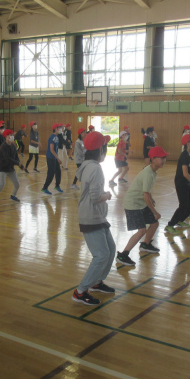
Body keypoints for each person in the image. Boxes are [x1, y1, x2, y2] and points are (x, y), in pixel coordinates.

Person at [72, 131, 115, 305]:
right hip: (90, 216)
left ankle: (97, 281)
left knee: (110, 249)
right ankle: (80, 291)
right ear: (100, 150)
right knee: (101, 255)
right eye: (105, 147)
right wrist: (107, 195)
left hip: (97, 215)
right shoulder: (95, 168)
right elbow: (96, 197)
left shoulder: (87, 164)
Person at [116, 146, 168, 266]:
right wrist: (154, 212)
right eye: (161, 158)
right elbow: (145, 195)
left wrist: (151, 197)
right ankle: (123, 255)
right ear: (153, 159)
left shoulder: (153, 171)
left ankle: (145, 245)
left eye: (165, 158)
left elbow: (146, 190)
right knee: (141, 230)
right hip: (133, 204)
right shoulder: (149, 173)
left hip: (141, 202)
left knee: (154, 223)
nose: (164, 160)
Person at [165, 134, 190, 234]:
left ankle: (180, 220)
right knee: (183, 205)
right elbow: (185, 173)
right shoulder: (184, 155)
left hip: (188, 182)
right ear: (188, 143)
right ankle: (170, 225)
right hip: (181, 182)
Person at [0, 129, 25, 206]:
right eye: (10, 135)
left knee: (17, 184)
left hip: (10, 168)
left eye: (12, 135)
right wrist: (17, 163)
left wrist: (20, 164)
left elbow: (15, 157)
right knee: (1, 184)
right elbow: (8, 158)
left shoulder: (13, 146)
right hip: (3, 168)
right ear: (6, 137)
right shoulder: (3, 146)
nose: (12, 136)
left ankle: (13, 196)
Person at [41, 124, 64, 195]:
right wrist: (58, 158)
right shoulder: (52, 137)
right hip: (50, 158)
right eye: (59, 128)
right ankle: (45, 188)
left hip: (54, 157)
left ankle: (57, 186)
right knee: (51, 173)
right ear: (56, 129)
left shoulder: (56, 137)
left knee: (58, 171)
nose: (60, 129)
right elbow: (51, 149)